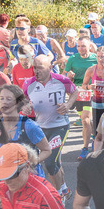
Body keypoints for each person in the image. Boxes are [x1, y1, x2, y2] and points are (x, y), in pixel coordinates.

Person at [23, 56, 75, 197]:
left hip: (60, 126)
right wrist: (26, 107)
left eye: (40, 67)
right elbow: (24, 101)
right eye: (34, 67)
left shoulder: (61, 80)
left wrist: (68, 105)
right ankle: (64, 188)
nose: (36, 71)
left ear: (50, 68)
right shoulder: (28, 83)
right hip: (40, 128)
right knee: (55, 161)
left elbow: (74, 92)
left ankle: (58, 196)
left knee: (50, 162)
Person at [0, 85, 52, 172]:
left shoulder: (29, 126)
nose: (4, 102)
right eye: (1, 98)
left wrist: (31, 162)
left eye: (9, 99)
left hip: (30, 177)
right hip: (5, 176)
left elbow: (47, 150)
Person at [79, 47, 104, 159]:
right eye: (98, 56)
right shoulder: (91, 70)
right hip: (96, 104)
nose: (100, 59)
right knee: (97, 132)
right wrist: (89, 87)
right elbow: (83, 85)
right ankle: (97, 156)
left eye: (102, 56)